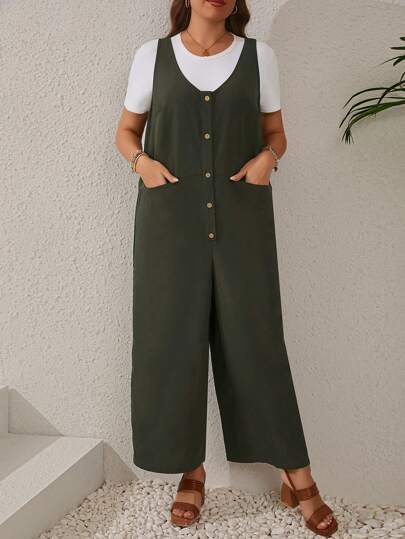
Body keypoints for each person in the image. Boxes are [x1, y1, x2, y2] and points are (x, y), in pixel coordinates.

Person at [115, 0, 338, 536]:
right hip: (169, 226)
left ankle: (297, 475)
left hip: (242, 222)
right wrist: (143, 165)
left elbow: (277, 133)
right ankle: (190, 473)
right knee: (174, 343)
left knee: (257, 341)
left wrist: (268, 159)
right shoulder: (152, 57)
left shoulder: (261, 58)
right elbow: (125, 131)